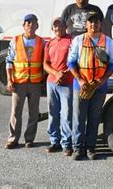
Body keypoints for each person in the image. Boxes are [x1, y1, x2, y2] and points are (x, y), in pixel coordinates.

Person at [67, 12, 113, 160]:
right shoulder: (78, 40)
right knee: (78, 117)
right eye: (90, 22)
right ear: (86, 25)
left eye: (96, 22)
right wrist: (80, 80)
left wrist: (103, 80)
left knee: (94, 118)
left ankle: (90, 147)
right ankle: (77, 148)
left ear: (100, 24)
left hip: (99, 86)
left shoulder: (107, 41)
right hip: (81, 85)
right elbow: (71, 62)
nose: (93, 24)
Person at [4, 14, 45, 149]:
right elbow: (9, 61)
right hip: (19, 83)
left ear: (37, 26)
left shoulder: (41, 42)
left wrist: (44, 80)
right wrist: (9, 80)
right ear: (23, 26)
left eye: (33, 23)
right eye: (27, 23)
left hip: (34, 83)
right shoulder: (15, 41)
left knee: (34, 113)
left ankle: (29, 139)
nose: (30, 25)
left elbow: (45, 62)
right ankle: (13, 139)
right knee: (16, 112)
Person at [44, 17, 74, 156]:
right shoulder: (49, 43)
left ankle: (66, 143)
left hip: (67, 83)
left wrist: (63, 75)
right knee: (53, 112)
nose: (58, 29)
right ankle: (54, 140)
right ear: (52, 29)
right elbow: (45, 64)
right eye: (55, 27)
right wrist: (56, 74)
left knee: (66, 114)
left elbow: (75, 61)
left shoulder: (72, 41)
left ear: (65, 27)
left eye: (60, 26)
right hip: (51, 82)